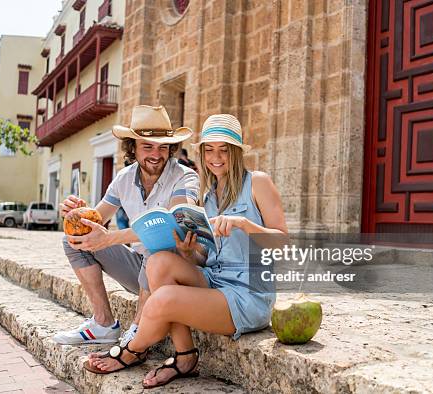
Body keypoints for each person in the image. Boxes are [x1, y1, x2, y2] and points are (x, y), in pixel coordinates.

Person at [84, 114, 287, 389]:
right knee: (158, 262)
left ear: (236, 153)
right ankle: (185, 355)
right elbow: (204, 257)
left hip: (247, 294)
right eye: (209, 150)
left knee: (162, 299)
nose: (216, 157)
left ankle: (131, 351)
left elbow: (283, 244)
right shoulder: (207, 195)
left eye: (224, 150)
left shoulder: (258, 183)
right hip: (215, 281)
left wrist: (244, 223)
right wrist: (189, 252)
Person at [53, 105, 199, 347]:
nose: (156, 154)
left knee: (158, 243)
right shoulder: (123, 178)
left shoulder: (185, 176)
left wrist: (110, 238)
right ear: (133, 147)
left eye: (163, 147)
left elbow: (174, 225)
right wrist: (76, 213)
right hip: (139, 270)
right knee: (75, 240)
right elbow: (95, 219)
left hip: (175, 272)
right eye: (148, 146)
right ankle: (103, 324)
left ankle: (138, 330)